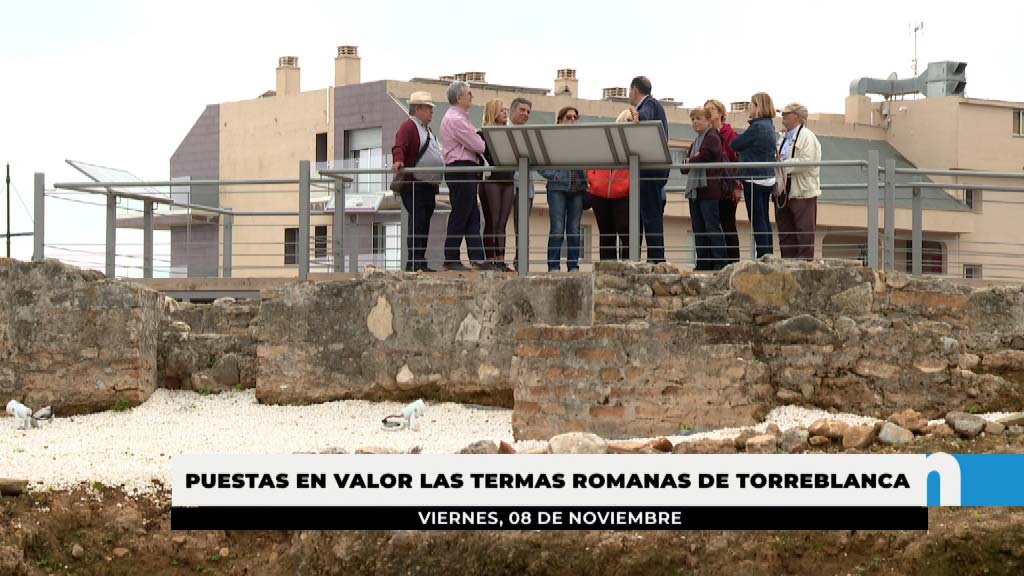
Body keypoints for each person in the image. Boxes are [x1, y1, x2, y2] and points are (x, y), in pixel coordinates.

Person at [439, 80, 487, 271]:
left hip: (463, 168)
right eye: (469, 94)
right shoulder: (456, 120)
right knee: (462, 212)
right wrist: (478, 138)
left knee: (471, 213)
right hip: (461, 168)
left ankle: (477, 257)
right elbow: (479, 145)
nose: (471, 97)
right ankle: (451, 257)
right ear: (459, 98)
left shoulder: (456, 118)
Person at [391, 91, 442, 272]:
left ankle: (419, 260)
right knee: (417, 221)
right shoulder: (408, 126)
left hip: (427, 185)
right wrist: (398, 160)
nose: (431, 112)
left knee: (424, 222)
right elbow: (399, 145)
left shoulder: (426, 130)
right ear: (418, 109)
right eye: (428, 108)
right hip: (414, 184)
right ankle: (414, 262)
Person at [729, 92, 778, 259]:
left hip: (754, 178)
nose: (749, 106)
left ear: (758, 107)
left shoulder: (757, 127)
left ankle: (763, 254)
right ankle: (767, 253)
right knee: (764, 217)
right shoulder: (770, 125)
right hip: (767, 177)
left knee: (757, 219)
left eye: (751, 103)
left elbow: (735, 144)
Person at [540, 107, 587, 272]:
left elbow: (592, 159)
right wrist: (554, 175)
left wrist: (587, 178)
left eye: (575, 117)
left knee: (574, 229)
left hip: (578, 189)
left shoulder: (582, 140)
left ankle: (573, 266)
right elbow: (538, 160)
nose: (573, 120)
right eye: (569, 117)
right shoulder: (551, 139)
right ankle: (553, 266)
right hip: (557, 188)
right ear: (559, 120)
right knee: (557, 228)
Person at [628, 76, 669, 263]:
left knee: (650, 215)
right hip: (652, 170)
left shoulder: (649, 103)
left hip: (650, 170)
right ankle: (654, 257)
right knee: (649, 214)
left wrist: (637, 117)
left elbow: (646, 115)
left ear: (635, 90)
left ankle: (656, 259)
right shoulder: (653, 105)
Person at [682, 107, 728, 271]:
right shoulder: (696, 142)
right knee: (699, 228)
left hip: (708, 189)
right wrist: (693, 158)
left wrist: (692, 159)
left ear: (708, 121)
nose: (695, 122)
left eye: (699, 118)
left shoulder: (712, 137)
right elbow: (684, 167)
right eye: (693, 119)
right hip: (696, 191)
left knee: (711, 226)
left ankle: (718, 263)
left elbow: (706, 156)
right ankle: (703, 262)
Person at [776, 102, 822, 260]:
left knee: (804, 232)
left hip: (802, 192)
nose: (783, 117)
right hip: (784, 192)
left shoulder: (807, 137)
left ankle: (804, 266)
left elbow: (807, 161)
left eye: (786, 114)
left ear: (797, 116)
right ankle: (788, 265)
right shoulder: (782, 137)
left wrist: (782, 165)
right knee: (785, 232)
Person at [586, 109, 632, 261]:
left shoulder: (633, 142)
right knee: (606, 233)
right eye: (627, 121)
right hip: (599, 192)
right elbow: (591, 159)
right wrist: (592, 179)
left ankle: (627, 267)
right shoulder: (604, 139)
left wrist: (629, 185)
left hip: (623, 193)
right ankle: (607, 269)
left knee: (625, 231)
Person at [705, 99, 741, 265]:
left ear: (720, 113)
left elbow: (738, 162)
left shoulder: (730, 134)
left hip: (727, 188)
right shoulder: (705, 134)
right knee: (712, 226)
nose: (709, 112)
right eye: (706, 110)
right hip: (711, 189)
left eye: (712, 109)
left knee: (728, 225)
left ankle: (733, 263)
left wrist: (737, 186)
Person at [478, 99, 514, 272]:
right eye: (501, 111)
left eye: (505, 110)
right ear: (493, 113)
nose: (505, 113)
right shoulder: (483, 134)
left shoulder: (510, 134)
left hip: (508, 180)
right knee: (492, 221)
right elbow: (487, 157)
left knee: (502, 223)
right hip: (491, 180)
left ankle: (501, 260)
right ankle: (491, 259)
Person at [509, 97, 534, 270]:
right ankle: (497, 260)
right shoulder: (503, 130)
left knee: (522, 228)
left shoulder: (530, 134)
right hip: (505, 184)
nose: (525, 114)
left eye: (528, 111)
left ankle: (520, 264)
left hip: (526, 187)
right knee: (498, 224)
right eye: (522, 110)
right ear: (512, 110)